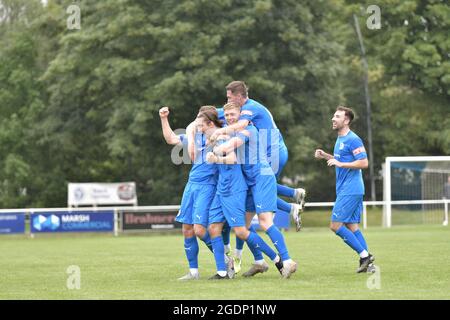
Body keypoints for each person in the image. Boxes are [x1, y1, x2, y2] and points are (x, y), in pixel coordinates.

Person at [213, 102, 298, 278]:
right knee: (243, 228)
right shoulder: (235, 131)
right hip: (251, 182)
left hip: (261, 177)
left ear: (241, 115)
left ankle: (287, 261)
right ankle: (259, 261)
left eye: (232, 114)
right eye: (226, 115)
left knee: (266, 221)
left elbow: (228, 148)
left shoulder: (248, 129)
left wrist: (214, 146)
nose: (229, 118)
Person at [210, 81, 306, 231]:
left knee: (258, 187)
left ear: (239, 96)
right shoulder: (236, 109)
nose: (227, 101)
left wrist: (219, 132)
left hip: (272, 153)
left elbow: (241, 125)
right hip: (268, 153)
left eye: (229, 98)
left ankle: (291, 207)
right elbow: (209, 113)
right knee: (256, 186)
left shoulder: (250, 108)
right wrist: (199, 121)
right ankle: (294, 197)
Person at [159, 106, 221, 280]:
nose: (197, 124)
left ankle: (224, 260)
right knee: (187, 229)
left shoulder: (219, 136)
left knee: (200, 230)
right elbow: (171, 139)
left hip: (208, 186)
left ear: (209, 121)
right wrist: (164, 118)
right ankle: (193, 272)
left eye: (201, 121)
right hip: (192, 185)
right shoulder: (195, 137)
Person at [314, 106, 376, 273]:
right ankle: (369, 266)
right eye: (333, 116)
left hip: (351, 189)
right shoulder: (340, 139)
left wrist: (340, 164)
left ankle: (365, 256)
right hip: (347, 189)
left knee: (335, 226)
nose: (333, 119)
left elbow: (364, 163)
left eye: (337, 116)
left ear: (346, 120)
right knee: (352, 227)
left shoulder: (353, 139)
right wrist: (326, 156)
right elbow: (341, 159)